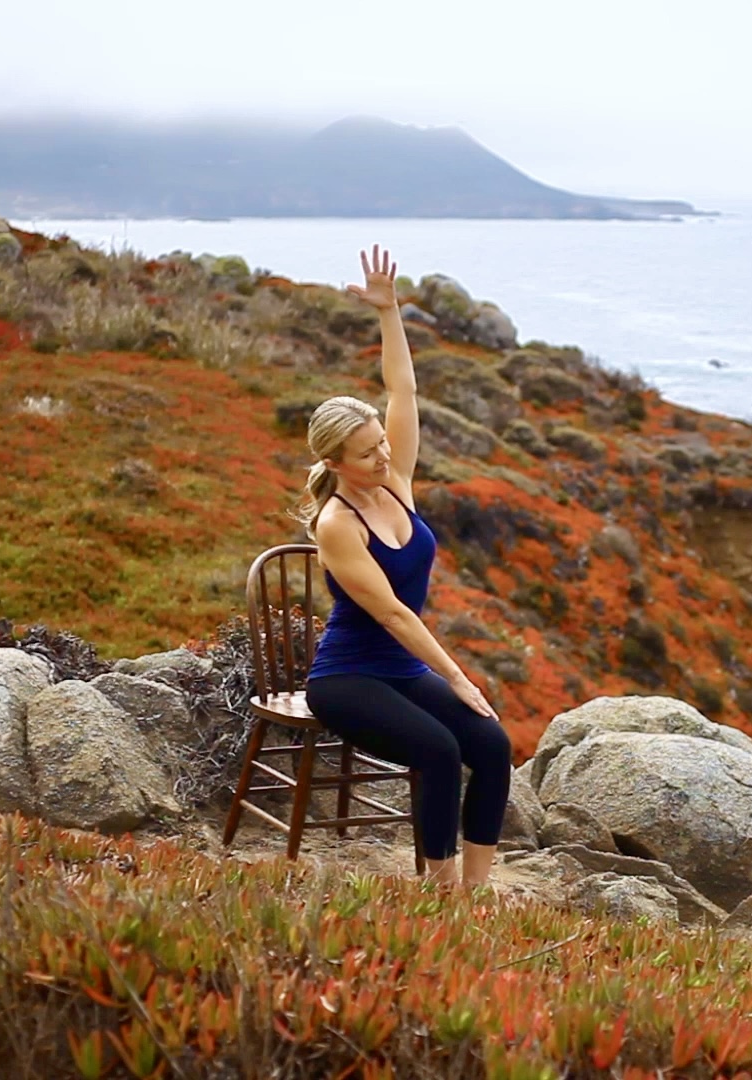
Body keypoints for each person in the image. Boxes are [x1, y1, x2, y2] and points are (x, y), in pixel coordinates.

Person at [293, 244, 512, 889]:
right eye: (367, 453)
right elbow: (390, 613)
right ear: (336, 464)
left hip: (401, 672)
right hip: (349, 678)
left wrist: (389, 312)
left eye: (382, 442)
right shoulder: (337, 524)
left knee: (492, 746)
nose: (384, 455)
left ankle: (476, 894)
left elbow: (402, 388)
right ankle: (439, 896)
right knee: (441, 751)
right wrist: (459, 678)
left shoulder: (397, 485)